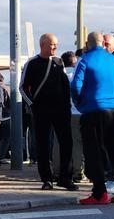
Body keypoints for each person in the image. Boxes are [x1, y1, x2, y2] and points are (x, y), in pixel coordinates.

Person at [71, 31, 114, 205]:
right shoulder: (113, 59)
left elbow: (75, 85)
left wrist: (80, 103)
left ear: (87, 43)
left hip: (94, 110)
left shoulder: (85, 60)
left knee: (93, 151)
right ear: (103, 44)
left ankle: (99, 193)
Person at [22, 33, 76, 191]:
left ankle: (66, 177)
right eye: (52, 44)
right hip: (42, 111)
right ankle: (47, 179)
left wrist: (67, 104)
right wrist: (33, 105)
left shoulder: (59, 62)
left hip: (61, 110)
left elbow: (65, 85)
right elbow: (23, 87)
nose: (55, 47)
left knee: (66, 143)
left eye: (56, 44)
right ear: (43, 45)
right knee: (43, 144)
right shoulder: (31, 64)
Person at [60, 51, 85, 184]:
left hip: (63, 112)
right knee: (77, 144)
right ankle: (77, 172)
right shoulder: (77, 74)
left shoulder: (60, 73)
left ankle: (57, 171)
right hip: (77, 112)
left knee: (59, 143)